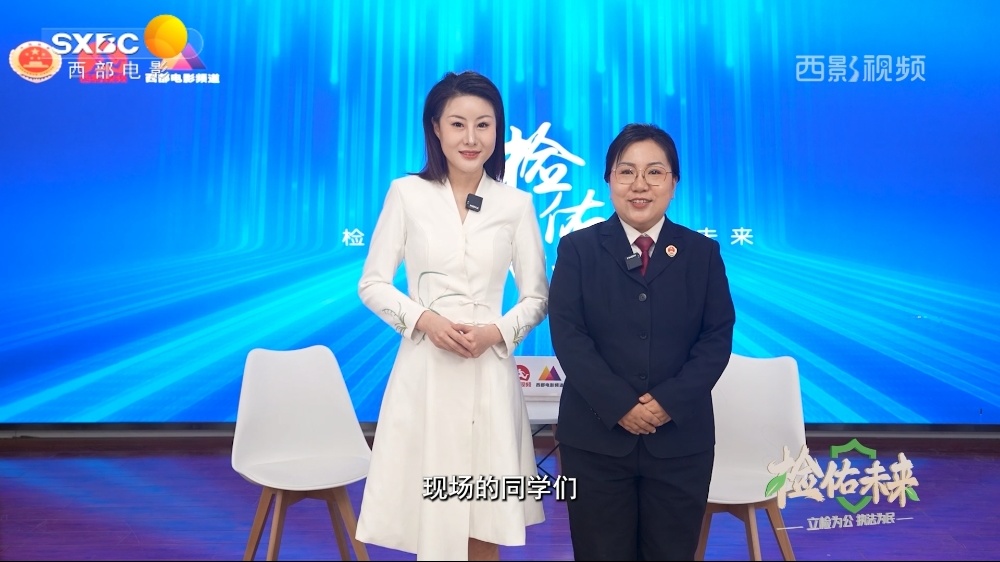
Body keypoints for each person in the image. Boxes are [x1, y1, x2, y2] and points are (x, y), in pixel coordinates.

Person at [354, 71, 548, 561]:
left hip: (488, 369)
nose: (471, 137)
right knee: (431, 509)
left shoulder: (516, 204)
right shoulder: (406, 194)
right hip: (426, 371)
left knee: (486, 509)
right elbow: (373, 284)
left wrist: (494, 332)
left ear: (497, 130)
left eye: (484, 124)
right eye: (458, 123)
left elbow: (536, 297)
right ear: (436, 128)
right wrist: (425, 321)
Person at [548, 123, 736, 560]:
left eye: (654, 172)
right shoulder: (577, 249)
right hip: (594, 440)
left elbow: (716, 338)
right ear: (608, 179)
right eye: (626, 171)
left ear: (673, 182)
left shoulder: (702, 254)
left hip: (680, 442)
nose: (639, 185)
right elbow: (569, 335)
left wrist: (667, 402)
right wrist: (620, 406)